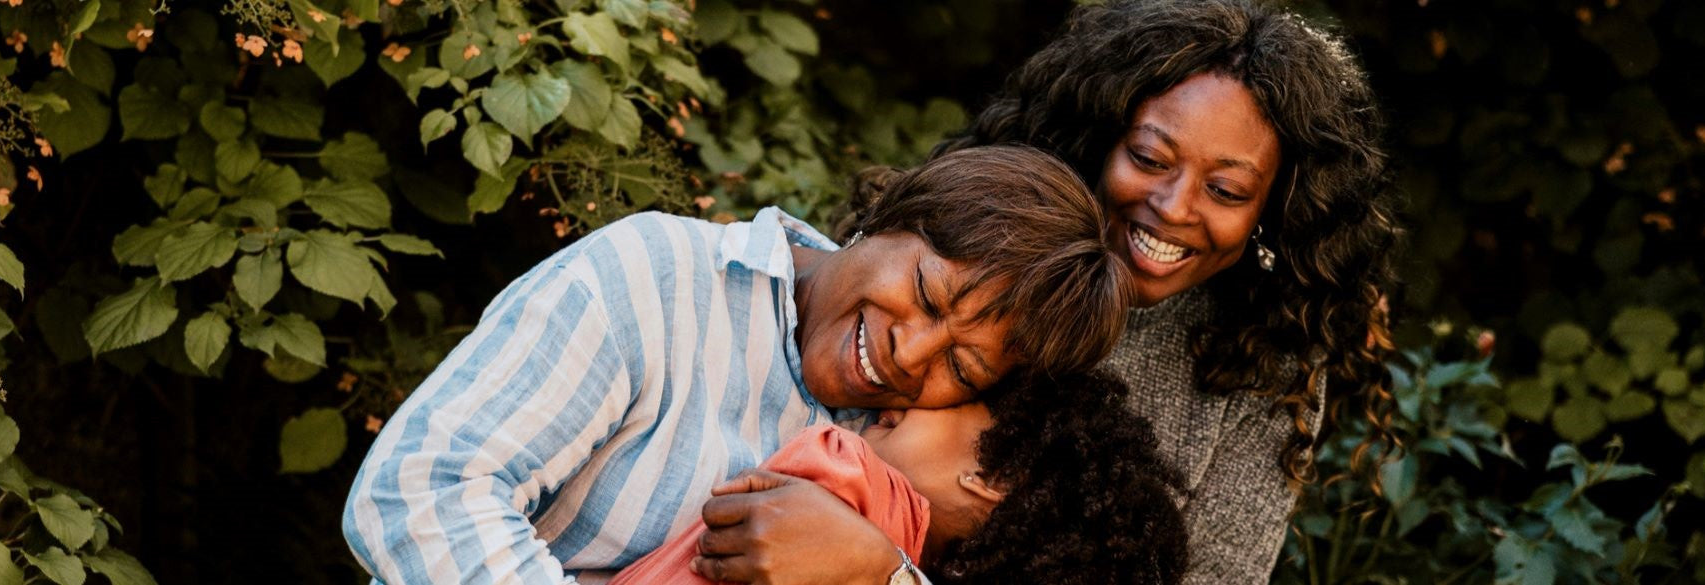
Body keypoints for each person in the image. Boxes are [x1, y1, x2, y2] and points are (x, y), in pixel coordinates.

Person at [689, 1, 1402, 583]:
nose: (1175, 206)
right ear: (1101, 136)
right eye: (1149, 158)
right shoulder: (986, 246)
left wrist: (886, 574)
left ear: (1273, 212)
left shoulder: (1264, 364)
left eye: (1224, 190)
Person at [341, 145, 1133, 584]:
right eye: (926, 294)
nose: (911, 354)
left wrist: (876, 571)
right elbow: (420, 489)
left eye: (962, 365)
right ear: (896, 215)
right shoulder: (658, 277)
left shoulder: (894, 454)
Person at [614, 372, 1187, 585]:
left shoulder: (847, 469)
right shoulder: (893, 557)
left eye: (961, 395)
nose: (913, 392)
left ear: (993, 472)